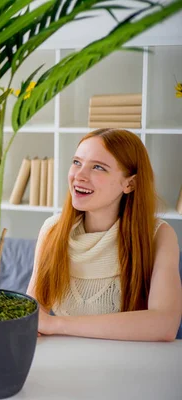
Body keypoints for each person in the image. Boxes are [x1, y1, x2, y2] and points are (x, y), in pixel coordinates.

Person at [27, 128, 181, 341]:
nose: (79, 176)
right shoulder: (52, 230)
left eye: (98, 167)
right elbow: (32, 316)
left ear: (130, 183)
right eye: (77, 162)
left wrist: (56, 324)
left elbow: (164, 325)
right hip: (65, 361)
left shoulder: (159, 236)